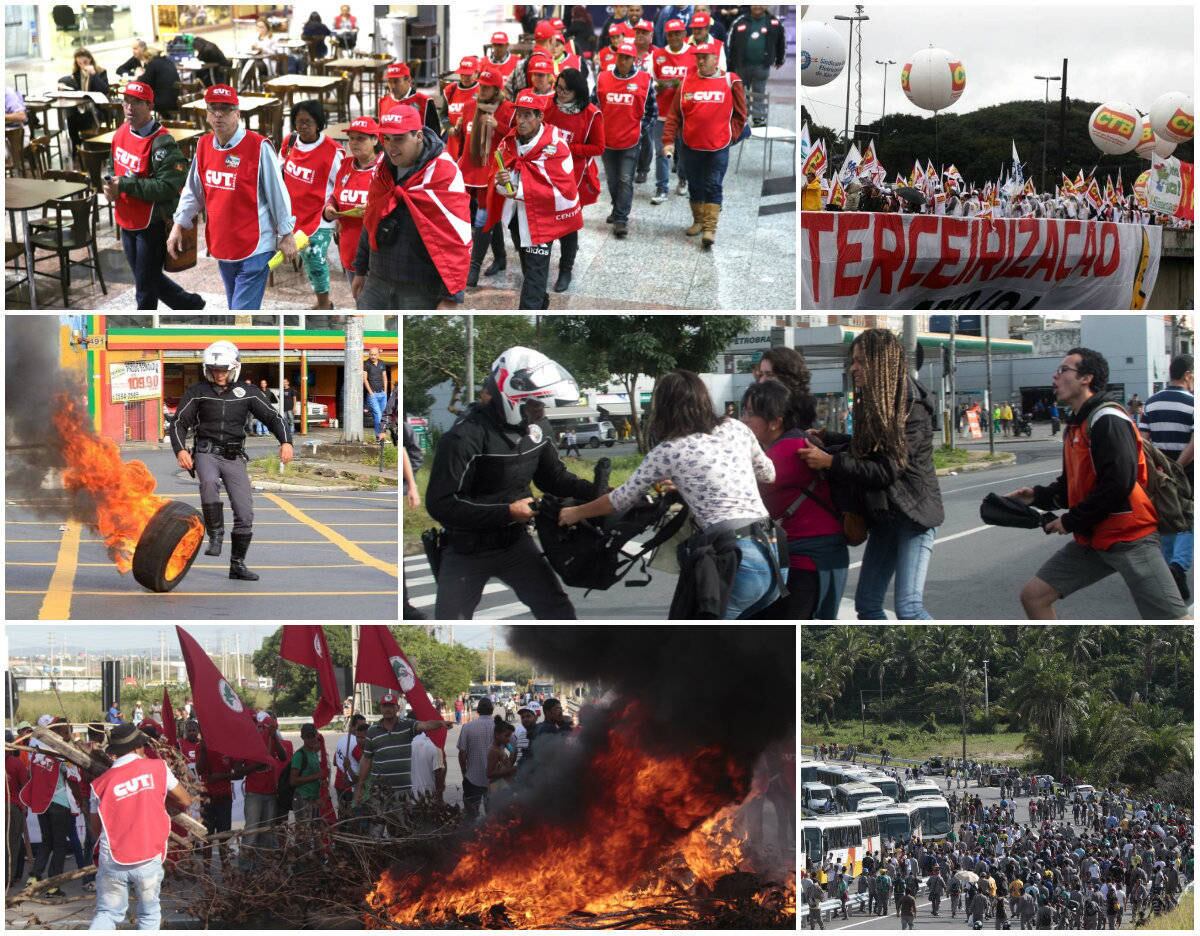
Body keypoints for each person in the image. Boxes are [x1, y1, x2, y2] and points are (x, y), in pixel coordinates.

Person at [559, 369, 783, 619]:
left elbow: (620, 499)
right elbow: (769, 474)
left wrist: (576, 513)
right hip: (774, 552)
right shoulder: (736, 428)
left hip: (736, 559)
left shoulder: (668, 450)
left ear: (664, 408)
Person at [1009, 348, 1188, 619]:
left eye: (1063, 370)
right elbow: (1073, 486)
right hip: (1094, 538)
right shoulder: (1075, 427)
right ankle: (1057, 661)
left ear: (1086, 378)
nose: (1054, 377)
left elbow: (1118, 484)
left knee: (1175, 623)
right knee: (1034, 597)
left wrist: (1070, 521)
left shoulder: (1108, 420)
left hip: (1130, 538)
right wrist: (1035, 496)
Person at [425, 347, 595, 618]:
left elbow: (554, 478)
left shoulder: (538, 429)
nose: (541, 411)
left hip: (515, 544)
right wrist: (507, 512)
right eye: (535, 403)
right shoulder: (464, 437)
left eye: (543, 403)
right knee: (451, 621)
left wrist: (599, 492)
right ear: (512, 399)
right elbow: (440, 504)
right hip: (466, 550)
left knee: (558, 612)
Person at [799, 329, 943, 618]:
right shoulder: (877, 400)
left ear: (882, 362)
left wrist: (830, 462)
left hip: (914, 515)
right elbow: (868, 449)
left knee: (909, 608)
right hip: (887, 516)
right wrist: (829, 437)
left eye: (861, 361)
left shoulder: (910, 407)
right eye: (853, 361)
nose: (854, 368)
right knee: (867, 605)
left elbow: (887, 469)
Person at [171, 340, 293, 578]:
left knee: (245, 512)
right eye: (215, 370)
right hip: (207, 452)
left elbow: (273, 417)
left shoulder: (249, 393)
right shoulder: (197, 392)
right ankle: (215, 535)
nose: (219, 374)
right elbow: (179, 423)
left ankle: (237, 565)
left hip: (235, 457)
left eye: (223, 370)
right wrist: (180, 450)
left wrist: (286, 441)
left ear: (234, 367)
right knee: (208, 483)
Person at [169, 85, 298, 309]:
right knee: (235, 310)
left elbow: (278, 192)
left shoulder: (258, 146)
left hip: (256, 246)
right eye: (213, 109)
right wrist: (179, 223)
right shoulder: (203, 145)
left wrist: (287, 233)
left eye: (226, 109)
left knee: (240, 314)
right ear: (207, 114)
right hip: (223, 244)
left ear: (237, 113)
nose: (219, 114)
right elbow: (193, 190)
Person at [741, 370, 847, 619]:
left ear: (775, 421)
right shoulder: (787, 443)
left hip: (810, 561)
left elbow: (741, 489)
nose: (743, 420)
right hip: (811, 557)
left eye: (749, 413)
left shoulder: (787, 451)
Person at [354, 108, 471, 309]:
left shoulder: (444, 173)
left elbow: (458, 237)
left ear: (418, 136)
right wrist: (360, 269)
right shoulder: (383, 167)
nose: (391, 147)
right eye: (387, 139)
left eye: (398, 139)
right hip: (377, 282)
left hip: (420, 288)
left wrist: (451, 297)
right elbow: (371, 218)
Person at [103, 80, 203, 311]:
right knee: (145, 277)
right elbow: (113, 165)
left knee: (145, 288)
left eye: (136, 102)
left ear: (149, 106)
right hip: (126, 219)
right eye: (126, 101)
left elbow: (168, 186)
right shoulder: (120, 132)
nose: (129, 107)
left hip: (151, 224)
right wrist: (110, 186)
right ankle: (188, 303)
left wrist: (125, 186)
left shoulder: (163, 143)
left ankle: (144, 328)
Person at [88, 723, 191, 929]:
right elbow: (185, 800)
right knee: (149, 914)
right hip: (148, 856)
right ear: (138, 747)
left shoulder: (99, 784)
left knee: (107, 914)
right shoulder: (158, 768)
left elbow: (95, 827)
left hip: (113, 857)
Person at [488, 90, 584, 309]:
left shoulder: (556, 146)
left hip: (543, 221)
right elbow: (499, 177)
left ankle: (531, 305)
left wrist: (519, 190)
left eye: (527, 115)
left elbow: (562, 186)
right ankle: (541, 300)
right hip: (516, 219)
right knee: (528, 267)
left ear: (540, 117)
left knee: (535, 271)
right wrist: (502, 181)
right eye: (518, 115)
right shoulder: (508, 141)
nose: (520, 121)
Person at [661, 39, 746, 249]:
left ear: (715, 59)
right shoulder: (686, 83)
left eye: (704, 57)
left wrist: (730, 135)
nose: (700, 61)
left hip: (718, 147)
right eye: (698, 57)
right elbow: (674, 115)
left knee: (713, 184)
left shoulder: (730, 81)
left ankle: (710, 228)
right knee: (695, 184)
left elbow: (741, 115)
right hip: (691, 146)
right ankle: (698, 221)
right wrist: (668, 141)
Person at [543, 67, 604, 292]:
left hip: (574, 177)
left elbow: (598, 147)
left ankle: (565, 269)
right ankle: (540, 266)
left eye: (565, 91)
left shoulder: (591, 114)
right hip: (546, 173)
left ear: (577, 92)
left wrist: (567, 148)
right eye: (557, 88)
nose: (559, 94)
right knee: (546, 222)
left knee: (568, 225)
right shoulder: (550, 106)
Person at [280, 100, 344, 311]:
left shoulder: (333, 151)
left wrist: (339, 216)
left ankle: (324, 304)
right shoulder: (289, 142)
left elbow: (343, 185)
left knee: (314, 257)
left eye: (308, 122)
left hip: (319, 216)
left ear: (318, 123)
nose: (303, 127)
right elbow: (278, 170)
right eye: (298, 122)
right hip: (290, 215)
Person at [1139, 353, 1193, 602]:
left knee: (1166, 518)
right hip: (1187, 472)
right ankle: (1178, 567)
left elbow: (1142, 441)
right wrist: (1177, 467)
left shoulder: (1150, 403)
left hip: (1157, 474)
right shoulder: (1193, 403)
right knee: (1188, 520)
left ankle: (1168, 570)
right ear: (1188, 375)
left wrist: (1157, 469)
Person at [593, 41, 654, 239]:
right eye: (620, 57)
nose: (623, 61)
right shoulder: (602, 78)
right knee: (612, 180)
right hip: (607, 140)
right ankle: (616, 207)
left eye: (627, 58)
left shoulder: (645, 80)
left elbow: (652, 111)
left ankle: (621, 218)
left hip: (631, 141)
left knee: (625, 179)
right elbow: (593, 106)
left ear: (634, 59)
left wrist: (639, 129)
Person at [460, 68, 515, 287]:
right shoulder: (469, 107)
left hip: (496, 171)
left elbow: (516, 138)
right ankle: (500, 258)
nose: (481, 89)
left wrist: (498, 127)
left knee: (483, 217)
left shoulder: (509, 110)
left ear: (496, 90)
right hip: (472, 169)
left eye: (486, 87)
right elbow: (465, 137)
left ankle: (474, 267)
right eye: (480, 85)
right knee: (489, 214)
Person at [352, 692, 452, 807]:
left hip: (405, 792)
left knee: (402, 823)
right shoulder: (372, 731)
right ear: (380, 708)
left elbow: (426, 725)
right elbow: (367, 760)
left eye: (391, 706)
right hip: (379, 791)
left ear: (397, 708)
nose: (388, 709)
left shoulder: (407, 725)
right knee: (379, 823)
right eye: (385, 706)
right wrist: (359, 786)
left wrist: (440, 723)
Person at [323, 117, 379, 284]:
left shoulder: (385, 168)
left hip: (376, 253)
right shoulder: (345, 165)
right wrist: (330, 207)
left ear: (375, 139)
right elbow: (335, 195)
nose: (354, 143)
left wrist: (373, 210)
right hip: (349, 248)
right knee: (359, 301)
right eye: (352, 138)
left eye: (361, 138)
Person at [649, 20, 695, 202]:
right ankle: (661, 188)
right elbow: (648, 81)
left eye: (678, 33)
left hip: (685, 113)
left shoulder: (692, 54)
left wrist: (680, 83)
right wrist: (660, 85)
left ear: (684, 34)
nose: (674, 37)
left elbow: (698, 81)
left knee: (683, 151)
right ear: (666, 35)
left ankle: (682, 179)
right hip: (662, 112)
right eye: (671, 34)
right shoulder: (657, 55)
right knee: (662, 152)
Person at [727, 7, 786, 127]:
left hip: (762, 66)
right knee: (742, 93)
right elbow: (730, 42)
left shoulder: (774, 22)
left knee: (759, 91)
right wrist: (730, 61)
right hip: (741, 65)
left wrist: (780, 59)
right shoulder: (740, 21)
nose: (757, 5)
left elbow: (781, 41)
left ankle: (758, 118)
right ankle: (742, 117)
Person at [58, 48, 110, 155]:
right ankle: (76, 147)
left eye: (85, 62)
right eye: (79, 63)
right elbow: (73, 88)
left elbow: (104, 90)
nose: (83, 65)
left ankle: (88, 146)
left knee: (79, 118)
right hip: (81, 108)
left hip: (97, 108)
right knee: (71, 117)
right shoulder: (76, 74)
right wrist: (63, 86)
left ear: (90, 60)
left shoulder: (101, 72)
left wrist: (93, 75)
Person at [116, 42, 181, 116]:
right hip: (176, 99)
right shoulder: (167, 61)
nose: (145, 63)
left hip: (163, 102)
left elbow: (143, 82)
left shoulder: (153, 64)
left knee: (136, 102)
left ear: (148, 57)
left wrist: (138, 76)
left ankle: (140, 124)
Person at [457, 698, 496, 819]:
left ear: (478, 710)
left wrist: (464, 773)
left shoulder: (467, 727)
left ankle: (472, 836)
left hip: (473, 778)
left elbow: (462, 753)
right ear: (492, 710)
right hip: (495, 778)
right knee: (494, 816)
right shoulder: (500, 727)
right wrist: (507, 764)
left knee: (471, 815)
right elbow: (514, 748)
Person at [377, 62, 440, 132]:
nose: (392, 86)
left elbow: (435, 137)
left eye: (396, 81)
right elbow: (381, 132)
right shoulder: (382, 101)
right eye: (389, 82)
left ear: (409, 80)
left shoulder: (425, 102)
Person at [442, 57, 481, 163]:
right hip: (453, 145)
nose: (465, 77)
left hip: (474, 147)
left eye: (469, 74)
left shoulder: (482, 91)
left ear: (477, 73)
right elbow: (443, 115)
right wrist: (449, 128)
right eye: (462, 74)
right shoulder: (450, 90)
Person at [288, 723, 327, 823]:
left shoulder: (313, 753)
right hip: (302, 799)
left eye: (312, 736)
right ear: (302, 737)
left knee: (314, 833)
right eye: (307, 737)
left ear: (316, 735)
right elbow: (293, 781)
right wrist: (316, 776)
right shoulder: (299, 755)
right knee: (304, 834)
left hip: (313, 800)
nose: (311, 739)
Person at [334, 714, 368, 814]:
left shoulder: (342, 739)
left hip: (339, 783)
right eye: (360, 726)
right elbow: (366, 766)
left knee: (342, 815)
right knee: (353, 819)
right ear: (352, 727)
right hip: (352, 787)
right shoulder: (357, 744)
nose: (363, 728)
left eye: (365, 725)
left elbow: (335, 761)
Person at [410, 723, 446, 801]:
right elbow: (439, 773)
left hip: (410, 796)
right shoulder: (436, 747)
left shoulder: (409, 743)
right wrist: (440, 798)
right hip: (429, 797)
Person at [362, 346, 391, 440]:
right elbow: (364, 379)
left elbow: (385, 377)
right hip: (373, 395)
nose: (373, 356)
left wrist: (386, 391)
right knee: (378, 415)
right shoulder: (366, 364)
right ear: (369, 354)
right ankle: (380, 436)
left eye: (374, 354)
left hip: (382, 394)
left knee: (382, 416)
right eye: (371, 354)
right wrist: (370, 392)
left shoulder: (382, 363)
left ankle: (379, 436)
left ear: (378, 355)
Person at [487, 716, 518, 797]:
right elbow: (490, 774)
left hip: (502, 787)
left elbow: (504, 765)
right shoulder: (494, 751)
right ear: (497, 735)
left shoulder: (501, 747)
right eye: (506, 736)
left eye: (510, 736)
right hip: (497, 788)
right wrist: (511, 770)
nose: (508, 739)